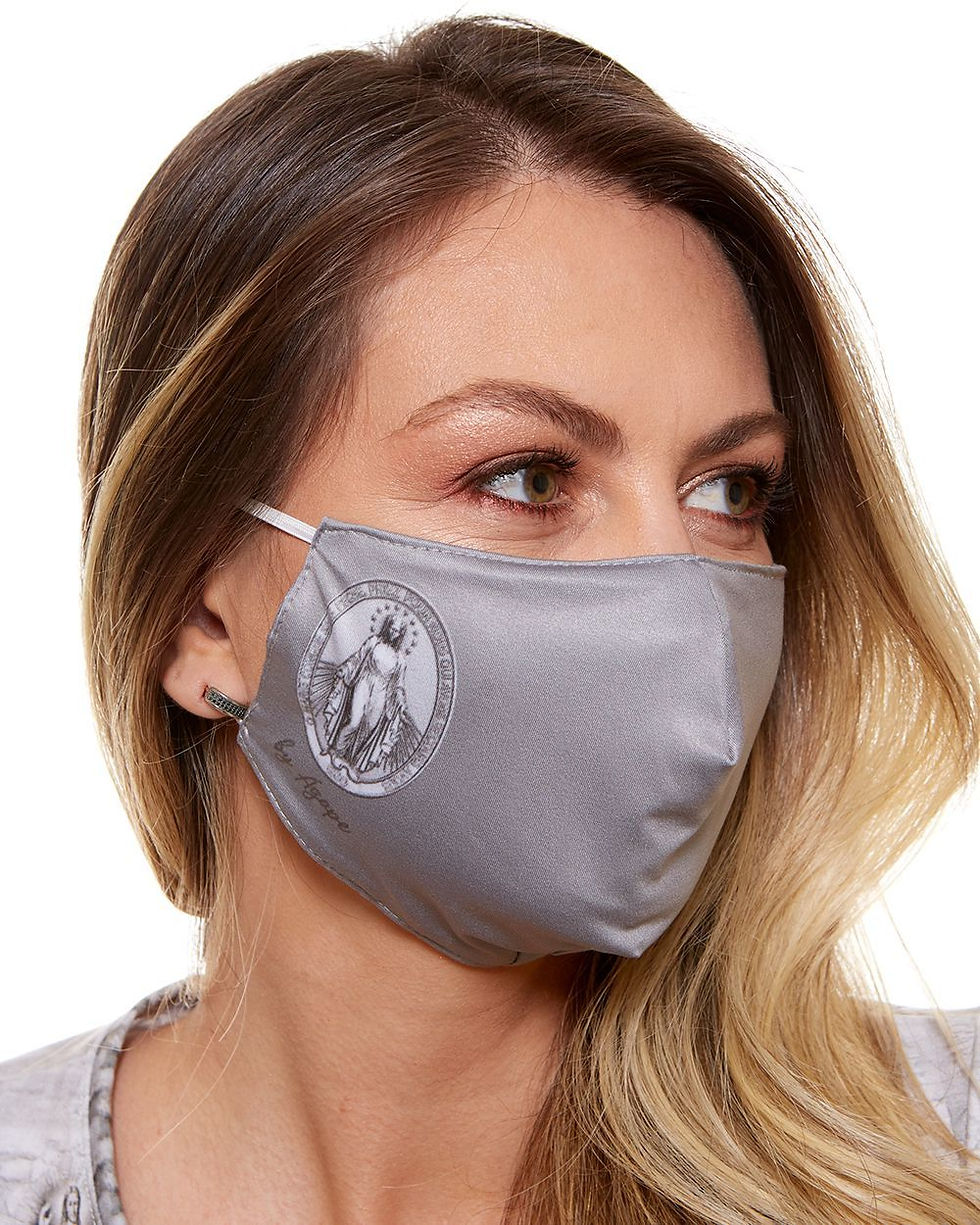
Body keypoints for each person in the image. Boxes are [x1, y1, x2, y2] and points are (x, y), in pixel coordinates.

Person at [1, 12, 977, 1225]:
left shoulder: (934, 1155)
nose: (678, 602)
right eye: (528, 475)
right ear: (201, 611)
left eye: (729, 491)